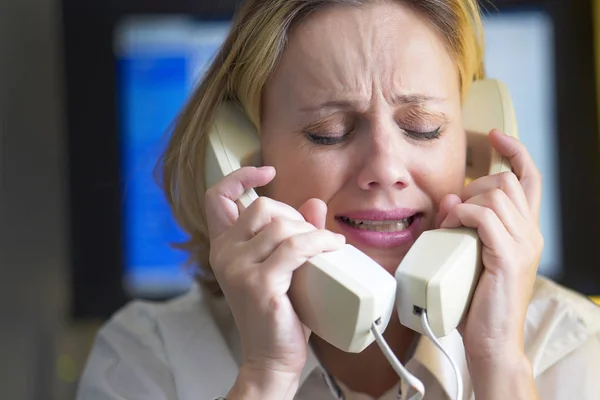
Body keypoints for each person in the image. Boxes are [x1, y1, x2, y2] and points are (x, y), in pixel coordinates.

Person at [76, 0, 600, 399]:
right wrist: (265, 374)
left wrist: (499, 365)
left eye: (422, 128)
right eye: (329, 132)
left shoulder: (574, 347)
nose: (385, 170)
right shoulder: (146, 359)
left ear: (475, 146)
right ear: (241, 157)